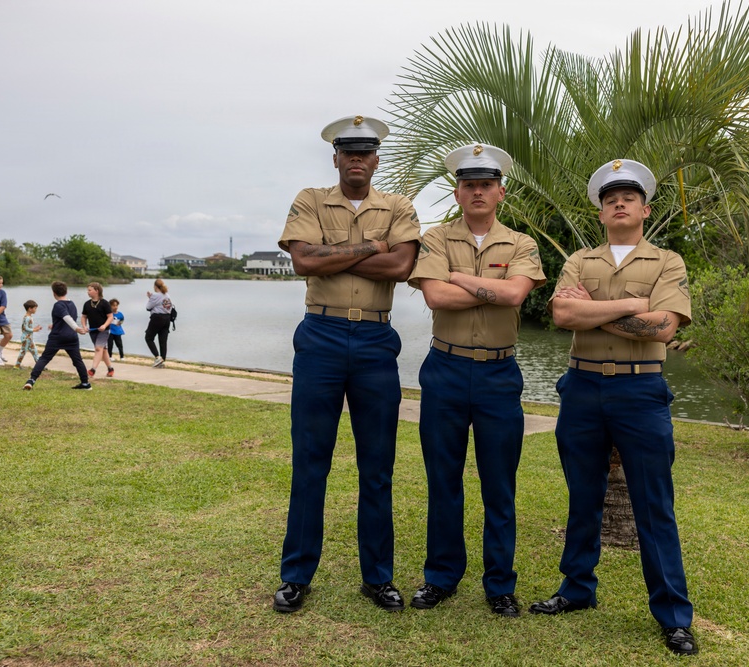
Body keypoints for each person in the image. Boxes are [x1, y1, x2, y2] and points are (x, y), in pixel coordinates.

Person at [528, 159, 698, 657]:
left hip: (640, 392)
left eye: (627, 197)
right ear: (601, 213)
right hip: (581, 389)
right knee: (583, 498)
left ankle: (672, 615)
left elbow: (665, 328)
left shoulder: (668, 262)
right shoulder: (580, 260)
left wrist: (593, 312)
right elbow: (562, 312)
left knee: (654, 506)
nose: (618, 203)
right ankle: (577, 590)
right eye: (609, 199)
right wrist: (630, 305)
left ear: (644, 208)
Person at [273, 114, 420, 614]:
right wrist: (373, 247)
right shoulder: (311, 199)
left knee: (377, 467)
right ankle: (296, 575)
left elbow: (401, 267)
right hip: (322, 335)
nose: (356, 160)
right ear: (335, 158)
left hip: (377, 339)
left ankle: (377, 578)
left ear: (377, 160)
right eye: (348, 153)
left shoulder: (398, 205)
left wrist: (333, 252)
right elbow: (303, 262)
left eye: (366, 153)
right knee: (310, 462)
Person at [407, 144, 545, 617]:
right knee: (443, 480)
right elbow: (434, 299)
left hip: (499, 374)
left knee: (499, 484)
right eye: (470, 185)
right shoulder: (435, 238)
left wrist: (460, 278)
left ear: (501, 192)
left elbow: (513, 296)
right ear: (457, 191)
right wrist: (488, 288)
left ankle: (499, 585)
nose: (478, 191)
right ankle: (441, 578)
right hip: (445, 370)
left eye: (487, 184)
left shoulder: (522, 244)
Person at [23, 281, 91, 391]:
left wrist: (76, 328)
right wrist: (56, 325)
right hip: (71, 337)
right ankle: (85, 383)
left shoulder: (58, 304)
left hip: (58, 337)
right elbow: (67, 318)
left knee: (45, 358)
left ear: (54, 293)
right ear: (66, 291)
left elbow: (67, 317)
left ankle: (31, 380)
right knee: (77, 360)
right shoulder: (72, 304)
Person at [81, 282, 114, 378]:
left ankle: (92, 370)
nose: (88, 292)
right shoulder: (87, 304)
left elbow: (110, 317)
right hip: (93, 330)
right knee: (103, 350)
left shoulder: (105, 303)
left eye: (90, 290)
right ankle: (110, 369)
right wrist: (84, 326)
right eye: (88, 290)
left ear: (97, 291)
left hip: (104, 331)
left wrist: (104, 325)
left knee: (98, 348)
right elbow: (84, 317)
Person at [145, 279, 172, 368]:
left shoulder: (155, 295)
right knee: (163, 340)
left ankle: (157, 357)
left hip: (157, 318)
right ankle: (162, 360)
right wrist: (151, 298)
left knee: (148, 337)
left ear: (155, 286)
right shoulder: (167, 295)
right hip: (167, 319)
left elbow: (148, 308)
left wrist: (151, 298)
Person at [13, 300, 42, 370]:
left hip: (30, 338)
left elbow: (28, 327)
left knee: (35, 351)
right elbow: (25, 328)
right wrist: (34, 330)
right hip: (26, 338)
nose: (36, 310)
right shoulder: (27, 318)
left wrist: (34, 328)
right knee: (23, 351)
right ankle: (17, 365)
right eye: (35, 308)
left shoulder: (29, 317)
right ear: (30, 308)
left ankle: (39, 366)